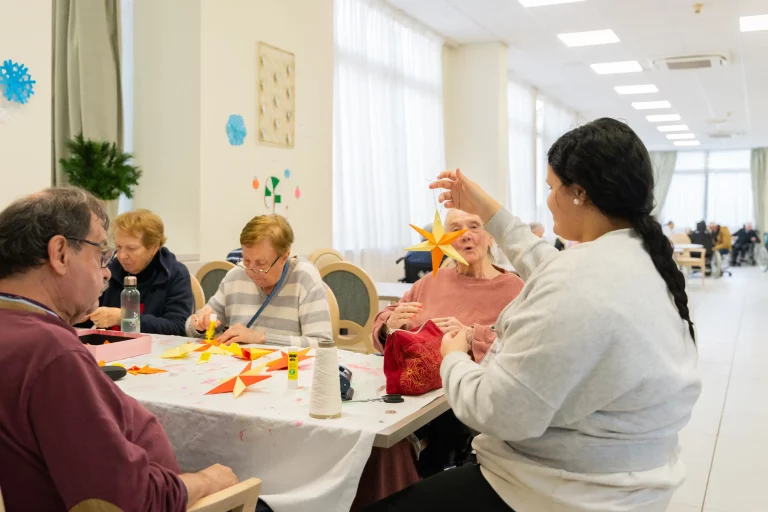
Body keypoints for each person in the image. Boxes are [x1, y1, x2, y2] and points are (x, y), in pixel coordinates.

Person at [365, 118, 701, 512]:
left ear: (578, 193)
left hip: (552, 490)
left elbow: (497, 411)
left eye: (550, 187)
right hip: (631, 481)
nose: (548, 198)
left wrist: (453, 356)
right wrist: (488, 209)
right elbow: (546, 262)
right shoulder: (639, 262)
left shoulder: (571, 280)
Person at [0, 188, 238, 511]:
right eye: (101, 254)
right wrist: (207, 481)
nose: (108, 270)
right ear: (59, 253)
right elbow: (123, 500)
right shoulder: (51, 353)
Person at [353, 209, 525, 509]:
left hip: (463, 404)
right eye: (456, 229)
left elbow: (524, 349)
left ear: (490, 236)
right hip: (407, 396)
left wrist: (473, 336)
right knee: (365, 434)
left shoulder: (515, 289)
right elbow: (383, 325)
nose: (467, 234)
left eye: (474, 225)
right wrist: (391, 325)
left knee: (392, 442)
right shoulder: (430, 282)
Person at [187, 214, 332, 347]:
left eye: (261, 264)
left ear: (284, 257)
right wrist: (199, 324)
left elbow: (322, 344)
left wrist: (260, 338)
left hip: (289, 372)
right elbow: (194, 328)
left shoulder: (304, 278)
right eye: (246, 260)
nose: (251, 271)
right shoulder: (236, 276)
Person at [84, 209, 194, 335]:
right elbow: (87, 320)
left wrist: (124, 317)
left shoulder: (175, 274)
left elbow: (178, 327)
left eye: (131, 248)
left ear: (154, 247)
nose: (122, 256)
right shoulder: (109, 271)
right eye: (118, 247)